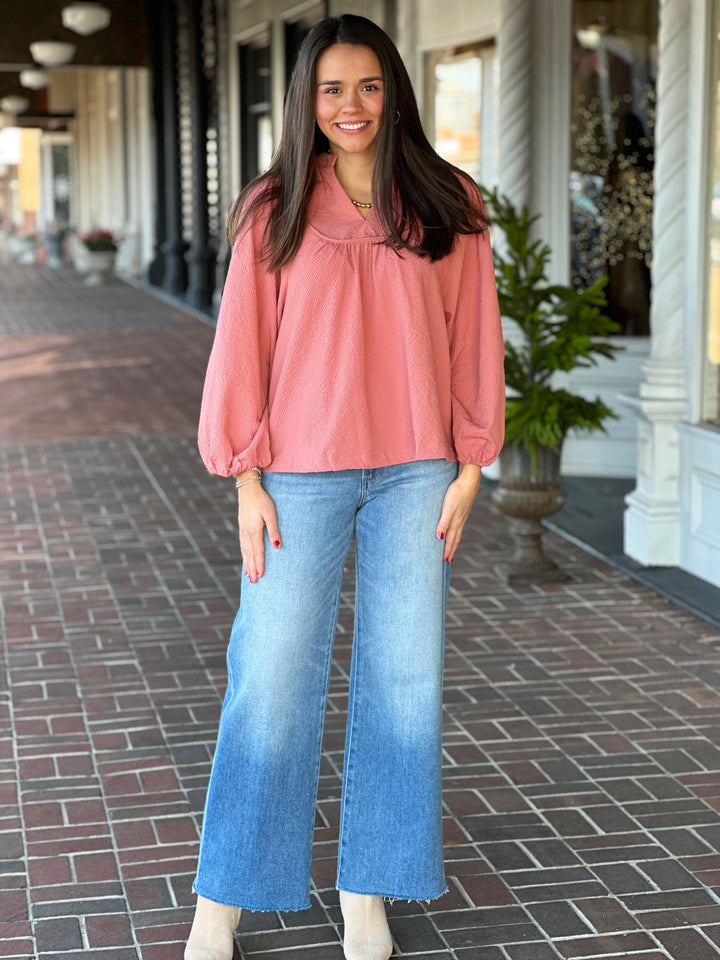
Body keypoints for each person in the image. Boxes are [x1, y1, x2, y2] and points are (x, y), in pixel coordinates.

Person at [185, 13, 505, 960]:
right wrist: (244, 475)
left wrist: (473, 463)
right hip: (298, 474)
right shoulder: (273, 206)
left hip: (417, 470)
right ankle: (224, 903)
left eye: (368, 86)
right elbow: (242, 344)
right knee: (273, 679)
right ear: (306, 100)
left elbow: (472, 337)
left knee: (404, 684)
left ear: (395, 91)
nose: (352, 105)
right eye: (332, 89)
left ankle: (368, 891)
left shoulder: (450, 201)